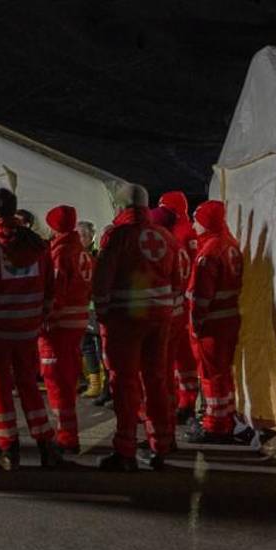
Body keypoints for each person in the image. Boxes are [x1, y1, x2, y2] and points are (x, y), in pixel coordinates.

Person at [0, 188, 64, 470]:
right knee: (30, 386)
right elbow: (49, 287)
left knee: (0, 389)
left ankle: (8, 450)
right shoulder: (36, 242)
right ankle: (46, 445)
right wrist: (39, 316)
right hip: (28, 328)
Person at [91, 183, 179, 471]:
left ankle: (125, 450)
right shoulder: (165, 236)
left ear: (121, 207)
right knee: (156, 381)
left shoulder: (118, 236)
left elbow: (103, 279)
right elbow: (176, 280)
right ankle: (160, 445)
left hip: (126, 320)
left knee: (125, 384)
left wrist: (102, 313)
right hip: (160, 318)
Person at [185, 200, 245, 444]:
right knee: (223, 374)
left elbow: (200, 296)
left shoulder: (209, 253)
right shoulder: (229, 244)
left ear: (206, 222)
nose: (193, 224)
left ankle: (216, 426)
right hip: (229, 320)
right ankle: (226, 417)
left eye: (196, 220)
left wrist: (196, 324)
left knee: (211, 376)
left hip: (211, 325)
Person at [38, 205, 92, 454]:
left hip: (58, 325)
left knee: (56, 380)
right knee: (67, 378)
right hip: (78, 320)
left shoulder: (60, 252)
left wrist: (45, 316)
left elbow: (55, 289)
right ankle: (67, 433)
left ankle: (67, 436)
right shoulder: (80, 251)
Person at [158, 191, 201, 422]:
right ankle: (188, 400)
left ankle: (181, 404)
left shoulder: (172, 235)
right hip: (187, 304)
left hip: (175, 304)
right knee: (185, 358)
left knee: (173, 358)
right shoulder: (190, 231)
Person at [76, 220, 105, 399]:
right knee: (85, 345)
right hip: (83, 307)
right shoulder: (78, 254)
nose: (79, 239)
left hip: (94, 308)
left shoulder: (96, 256)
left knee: (100, 347)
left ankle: (103, 385)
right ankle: (93, 383)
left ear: (89, 237)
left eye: (82, 235)